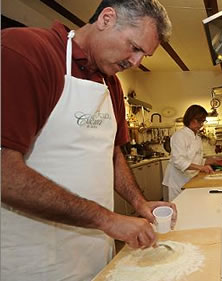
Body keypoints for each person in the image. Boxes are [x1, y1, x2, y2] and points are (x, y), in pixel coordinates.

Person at [1, 1, 176, 280]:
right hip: (33, 259)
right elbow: (4, 172)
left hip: (96, 252)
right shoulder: (27, 51)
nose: (136, 62)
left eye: (144, 55)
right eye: (135, 47)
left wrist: (140, 203)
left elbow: (112, 153)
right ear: (107, 18)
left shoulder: (111, 84)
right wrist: (107, 219)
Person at [163, 105, 222, 201]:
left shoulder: (197, 137)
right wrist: (201, 168)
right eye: (200, 121)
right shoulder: (179, 136)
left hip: (191, 178)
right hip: (178, 181)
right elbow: (179, 161)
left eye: (203, 121)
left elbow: (197, 159)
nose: (201, 124)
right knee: (179, 208)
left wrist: (213, 161)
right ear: (191, 119)